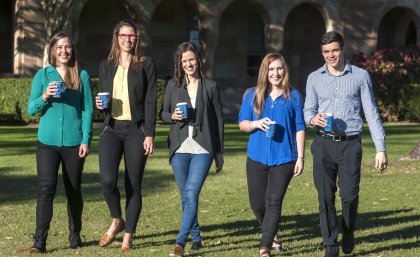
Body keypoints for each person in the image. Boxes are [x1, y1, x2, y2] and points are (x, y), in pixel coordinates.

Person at [303, 31, 388, 257]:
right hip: (323, 144)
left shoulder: (360, 76)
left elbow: (371, 113)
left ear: (342, 49)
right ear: (322, 53)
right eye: (326, 51)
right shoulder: (314, 78)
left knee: (349, 196)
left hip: (350, 145)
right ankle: (330, 245)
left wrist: (381, 148)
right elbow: (308, 110)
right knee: (325, 197)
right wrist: (312, 119)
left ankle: (348, 231)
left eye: (335, 50)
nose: (331, 55)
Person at [17, 31, 93, 253]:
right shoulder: (43, 75)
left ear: (72, 50)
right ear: (52, 50)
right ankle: (39, 241)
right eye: (59, 47)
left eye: (67, 47)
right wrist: (44, 97)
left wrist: (85, 140)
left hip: (73, 143)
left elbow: (87, 110)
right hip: (47, 143)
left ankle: (75, 234)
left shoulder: (82, 75)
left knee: (74, 190)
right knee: (45, 190)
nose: (64, 51)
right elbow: (31, 110)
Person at [95, 19, 157, 252]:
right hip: (111, 128)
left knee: (134, 184)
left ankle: (128, 235)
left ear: (137, 38)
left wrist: (149, 134)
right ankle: (116, 219)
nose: (127, 39)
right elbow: (103, 99)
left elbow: (151, 100)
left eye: (131, 36)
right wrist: (101, 104)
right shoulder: (106, 65)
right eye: (123, 36)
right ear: (117, 37)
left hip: (136, 130)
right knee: (107, 180)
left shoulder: (146, 64)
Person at [238, 53, 305, 257]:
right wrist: (256, 124)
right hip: (256, 156)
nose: (276, 73)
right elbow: (242, 123)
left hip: (285, 157)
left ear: (285, 70)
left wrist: (300, 158)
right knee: (257, 204)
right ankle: (273, 233)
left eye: (279, 68)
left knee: (273, 201)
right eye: (271, 69)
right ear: (265, 72)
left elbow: (300, 127)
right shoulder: (252, 94)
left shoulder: (293, 96)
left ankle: (264, 247)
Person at [160, 42, 224, 257]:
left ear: (198, 60)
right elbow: (163, 114)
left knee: (191, 193)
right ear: (180, 63)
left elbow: (219, 119)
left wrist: (219, 152)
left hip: (203, 147)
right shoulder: (173, 86)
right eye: (184, 61)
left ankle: (180, 242)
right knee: (186, 197)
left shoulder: (211, 86)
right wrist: (173, 117)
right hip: (179, 148)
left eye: (191, 60)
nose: (188, 64)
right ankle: (196, 236)